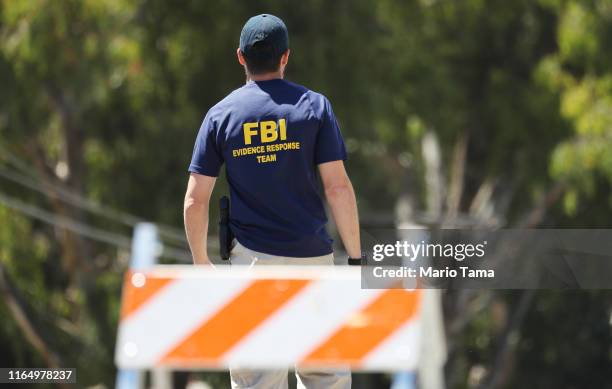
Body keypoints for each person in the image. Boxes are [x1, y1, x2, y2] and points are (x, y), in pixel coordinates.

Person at [183, 13, 361, 389]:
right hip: (313, 260)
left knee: (259, 381)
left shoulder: (221, 115)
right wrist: (356, 258)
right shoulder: (315, 107)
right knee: (325, 377)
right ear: (285, 57)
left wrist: (201, 261)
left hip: (252, 267)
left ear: (240, 57)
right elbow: (338, 189)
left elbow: (195, 201)